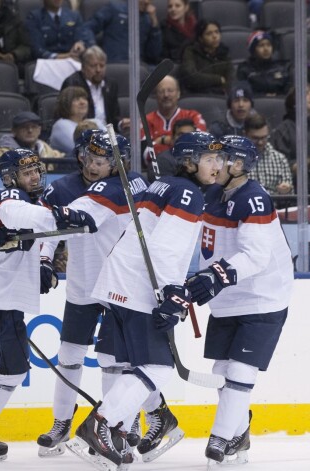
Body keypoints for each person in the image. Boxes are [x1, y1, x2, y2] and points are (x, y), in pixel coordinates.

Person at [67, 132, 224, 470]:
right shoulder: (187, 193)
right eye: (209, 159)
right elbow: (165, 247)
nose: (218, 165)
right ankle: (101, 423)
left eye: (218, 159)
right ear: (189, 162)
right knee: (156, 367)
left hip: (118, 281)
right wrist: (172, 294)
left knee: (132, 365)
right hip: (140, 287)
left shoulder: (164, 185)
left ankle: (119, 431)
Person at [0, 148, 97, 463]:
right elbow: (26, 218)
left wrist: (44, 264)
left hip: (7, 301)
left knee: (13, 372)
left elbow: (45, 235)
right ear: (10, 176)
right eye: (26, 172)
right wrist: (67, 215)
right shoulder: (8, 199)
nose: (34, 176)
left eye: (36, 170)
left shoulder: (40, 203)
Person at [36, 131, 149, 457]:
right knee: (69, 356)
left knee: (118, 361)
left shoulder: (132, 184)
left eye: (103, 160)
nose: (94, 165)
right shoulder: (62, 188)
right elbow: (51, 227)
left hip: (120, 288)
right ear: (81, 154)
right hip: (83, 287)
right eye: (90, 157)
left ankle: (123, 422)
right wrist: (44, 259)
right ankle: (61, 424)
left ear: (117, 163)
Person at [186, 135, 293, 466]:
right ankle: (240, 433)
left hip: (263, 298)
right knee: (221, 370)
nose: (216, 165)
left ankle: (219, 439)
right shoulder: (214, 193)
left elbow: (256, 256)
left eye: (225, 159)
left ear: (242, 165)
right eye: (215, 159)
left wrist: (216, 276)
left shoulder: (254, 199)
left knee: (240, 370)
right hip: (228, 297)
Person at [60, 46, 125, 133]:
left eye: (102, 66)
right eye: (93, 66)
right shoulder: (73, 84)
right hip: (83, 132)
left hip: (108, 135)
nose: (98, 70)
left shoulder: (111, 84)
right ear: (83, 67)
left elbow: (113, 117)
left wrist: (121, 124)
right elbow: (69, 116)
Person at [271, 84, 310, 193]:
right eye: (306, 94)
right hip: (297, 188)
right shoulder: (283, 130)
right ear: (295, 104)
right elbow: (280, 164)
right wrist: (308, 161)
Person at [143, 75, 207, 157]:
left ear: (178, 93)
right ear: (156, 95)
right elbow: (146, 155)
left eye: (170, 90)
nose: (166, 95)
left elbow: (200, 145)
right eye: (161, 91)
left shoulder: (193, 116)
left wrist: (161, 140)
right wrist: (180, 141)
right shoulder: (146, 120)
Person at [84, 0, 163, 65]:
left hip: (139, 67)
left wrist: (155, 25)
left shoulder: (148, 19)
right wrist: (93, 49)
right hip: (113, 63)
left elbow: (154, 55)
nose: (146, 2)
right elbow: (87, 28)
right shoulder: (115, 8)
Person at [180, 19, 234, 95]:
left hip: (220, 96)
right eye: (209, 34)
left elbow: (231, 79)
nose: (215, 36)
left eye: (217, 32)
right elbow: (191, 77)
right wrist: (218, 79)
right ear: (200, 38)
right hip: (197, 95)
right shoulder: (191, 51)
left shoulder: (224, 53)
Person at [25, 0, 93, 60]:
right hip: (47, 62)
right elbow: (37, 50)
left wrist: (81, 45)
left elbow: (84, 38)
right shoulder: (34, 17)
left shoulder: (74, 16)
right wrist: (63, 56)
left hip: (72, 61)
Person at [244, 113, 293, 195]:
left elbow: (290, 196)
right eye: (255, 138)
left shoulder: (280, 159)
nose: (260, 142)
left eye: (264, 137)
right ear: (245, 134)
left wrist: (286, 190)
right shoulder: (234, 159)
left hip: (274, 207)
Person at [49, 86, 106, 154]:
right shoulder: (61, 125)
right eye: (76, 99)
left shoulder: (95, 121)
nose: (82, 102)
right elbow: (81, 149)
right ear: (65, 104)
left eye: (84, 98)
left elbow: (113, 143)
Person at [236, 30, 291, 96]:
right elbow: (244, 92)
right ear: (253, 50)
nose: (266, 49)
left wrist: (277, 96)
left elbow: (289, 91)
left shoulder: (283, 67)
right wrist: (263, 97)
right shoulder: (245, 69)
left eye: (268, 45)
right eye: (261, 45)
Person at [0, 111, 64, 158]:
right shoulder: (0, 155)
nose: (30, 130)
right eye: (24, 127)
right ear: (14, 131)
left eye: (34, 127)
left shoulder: (49, 152)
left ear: (39, 130)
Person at [149, 117, 197, 182]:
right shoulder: (163, 160)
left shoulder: (203, 158)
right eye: (181, 135)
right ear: (172, 138)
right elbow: (164, 189)